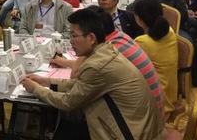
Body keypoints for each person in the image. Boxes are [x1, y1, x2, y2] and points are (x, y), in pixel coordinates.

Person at [22, 9, 165, 140]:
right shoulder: (106, 49)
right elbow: (80, 84)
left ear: (91, 38)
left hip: (129, 133)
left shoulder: (97, 66)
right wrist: (46, 82)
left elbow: (68, 102)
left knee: (69, 120)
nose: (70, 41)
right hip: (139, 126)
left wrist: (35, 89)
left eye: (74, 36)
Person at [51, 6, 164, 114]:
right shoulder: (119, 37)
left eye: (74, 36)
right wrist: (63, 62)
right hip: (148, 110)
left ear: (92, 35)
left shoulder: (111, 50)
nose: (71, 41)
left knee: (77, 111)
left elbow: (76, 77)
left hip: (138, 117)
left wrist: (39, 88)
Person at [133, 0, 178, 119]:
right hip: (170, 94)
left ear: (139, 19)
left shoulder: (142, 41)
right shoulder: (169, 31)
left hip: (158, 103)